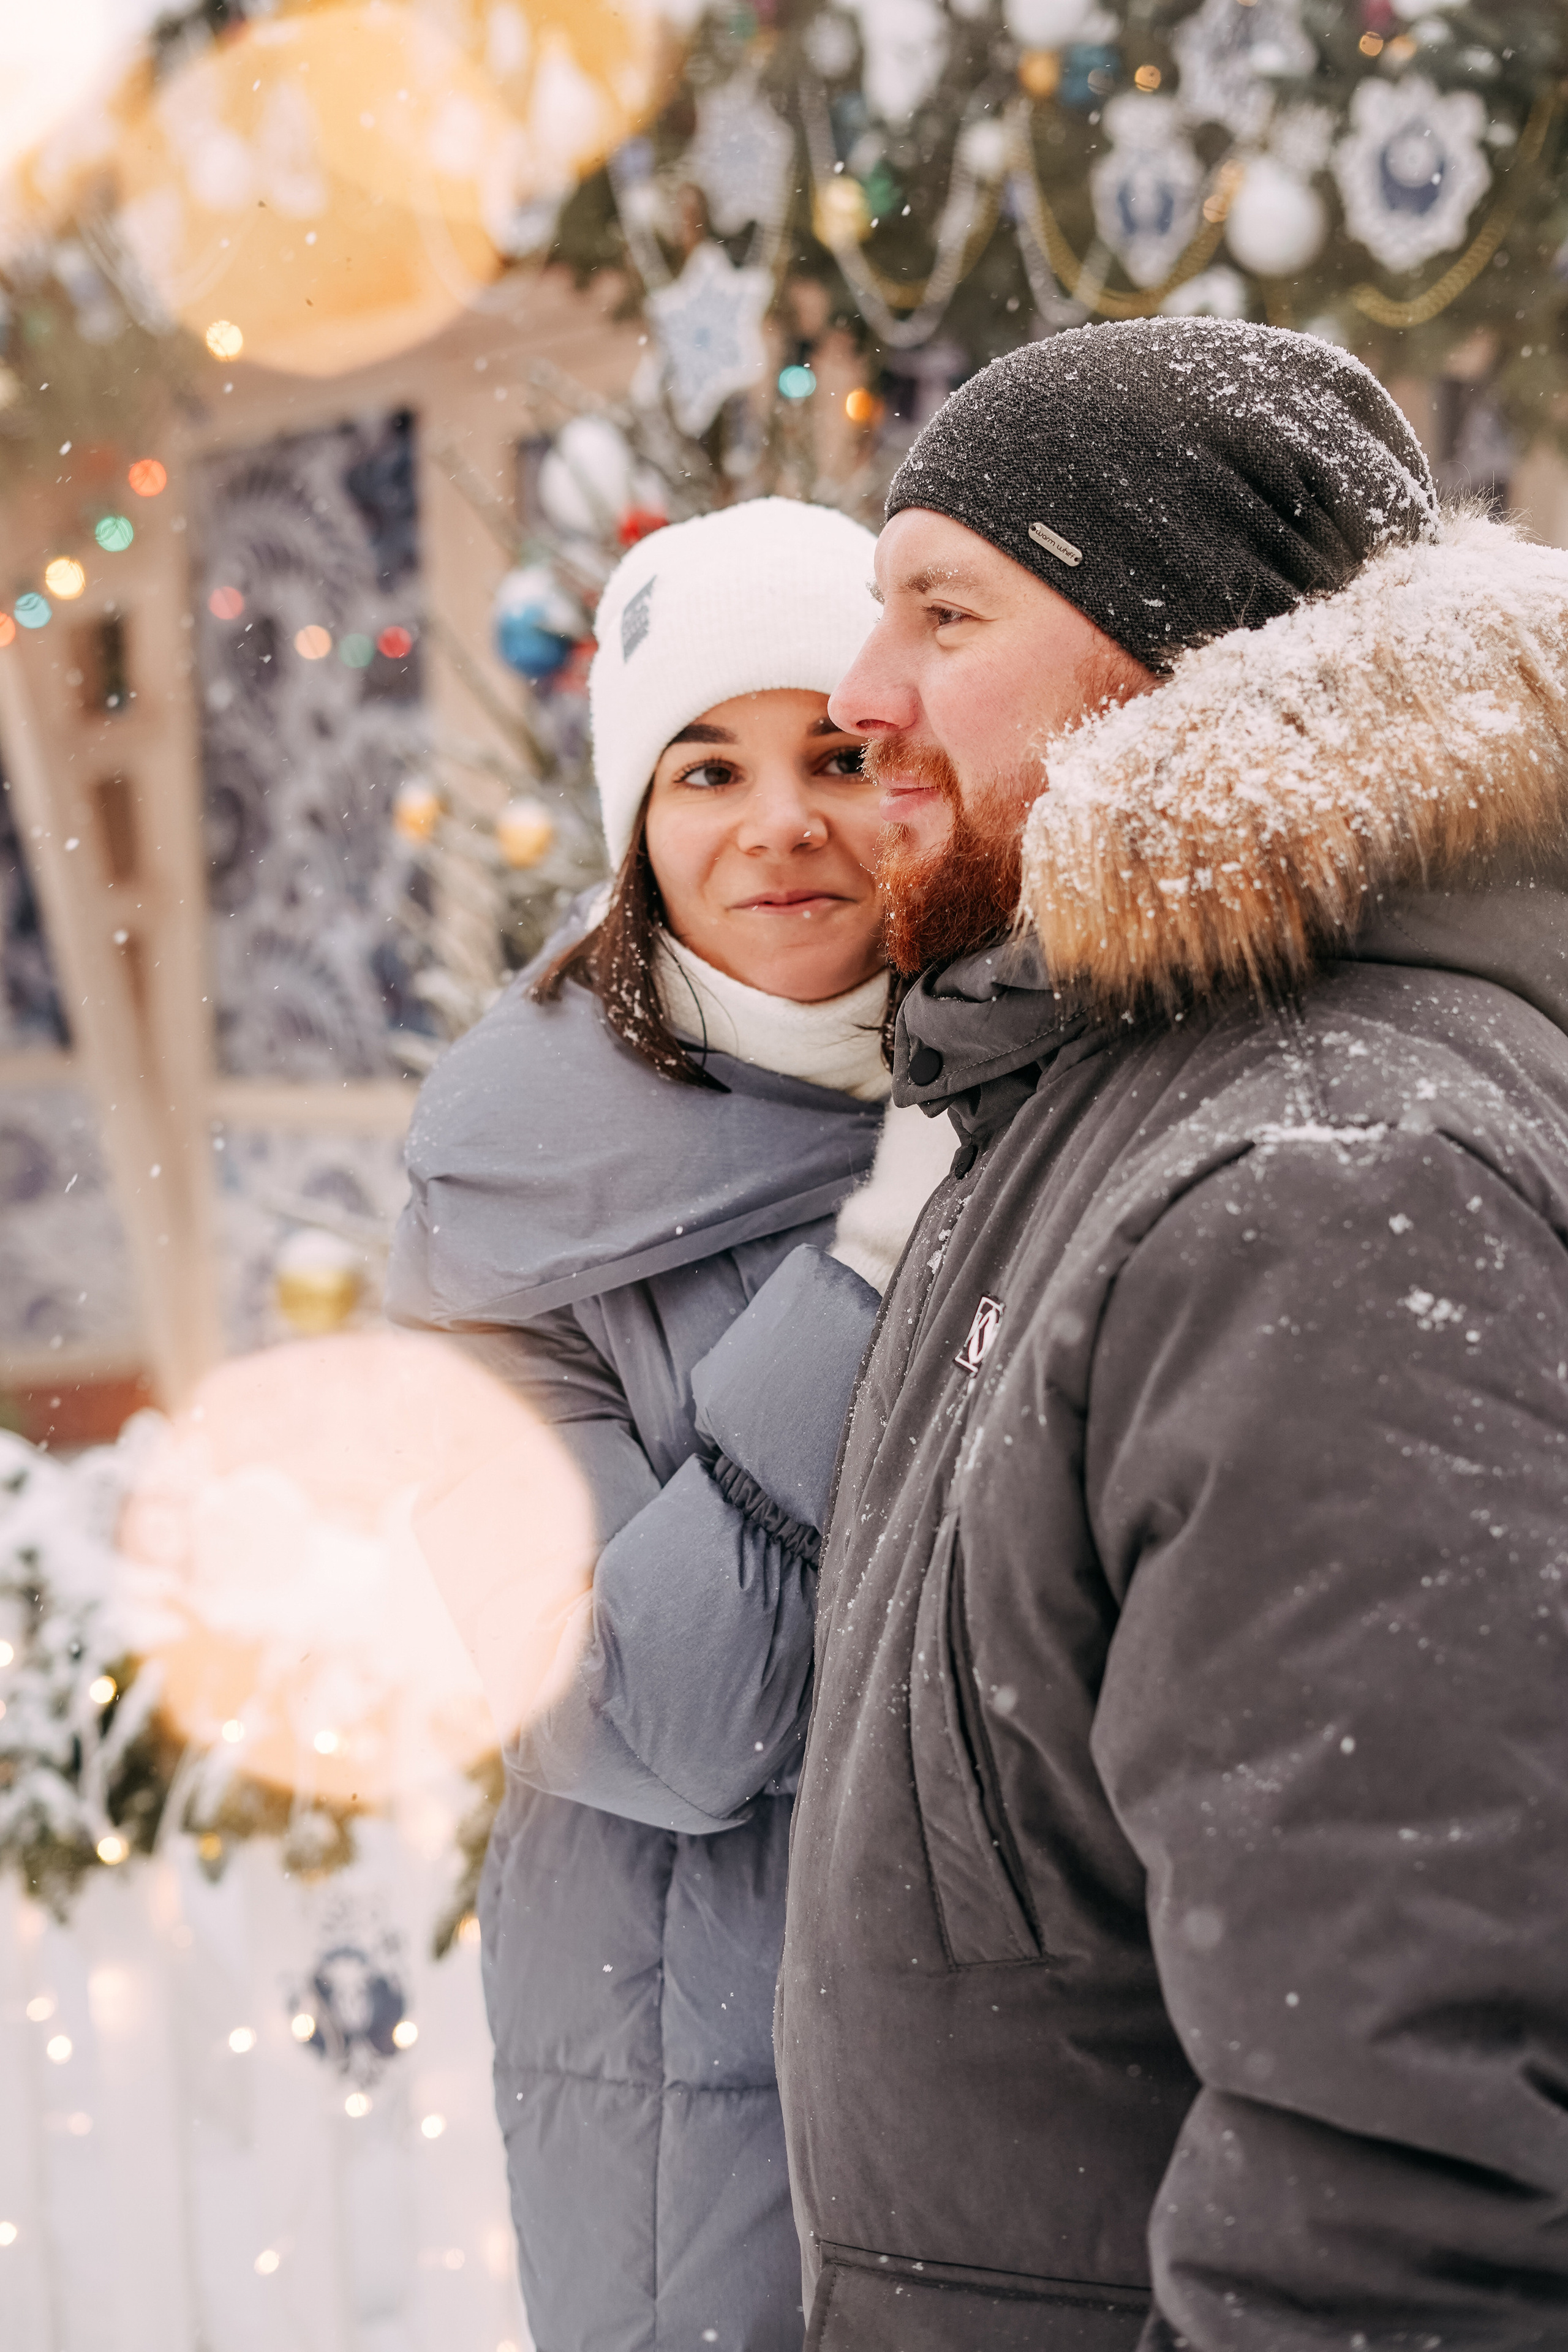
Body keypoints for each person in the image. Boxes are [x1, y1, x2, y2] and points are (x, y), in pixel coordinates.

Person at [749, 320, 1568, 2347]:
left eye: (947, 609)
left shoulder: (1325, 1181)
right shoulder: (1100, 1112)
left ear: (1191, 654)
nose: (861, 700)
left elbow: (1412, 2139)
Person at [387, 498, 951, 2352]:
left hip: (1023, 2072)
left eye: (838, 754)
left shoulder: (1057, 1094)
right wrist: (869, 1275)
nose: (778, 819)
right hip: (692, 2104)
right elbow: (641, 1716)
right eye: (707, 768)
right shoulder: (503, 1207)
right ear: (639, 822)